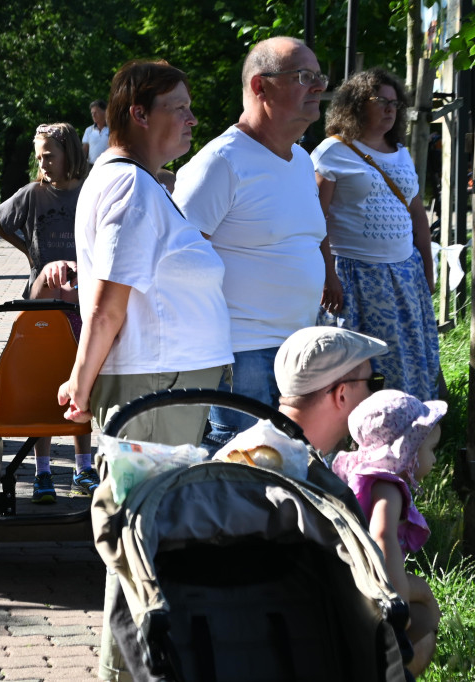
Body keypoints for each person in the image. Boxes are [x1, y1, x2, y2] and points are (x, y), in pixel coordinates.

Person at [55, 60, 234, 682]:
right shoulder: (129, 186)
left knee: (147, 542)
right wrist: (80, 383)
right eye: (178, 107)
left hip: (162, 386)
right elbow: (108, 302)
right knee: (142, 545)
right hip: (153, 390)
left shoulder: (138, 183)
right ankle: (126, 672)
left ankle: (134, 668)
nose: (190, 118)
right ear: (138, 111)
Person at [175, 36, 329, 449]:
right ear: (260, 86)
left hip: (298, 349)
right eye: (303, 77)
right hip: (242, 356)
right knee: (242, 477)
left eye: (319, 77)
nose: (318, 87)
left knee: (284, 475)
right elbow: (175, 262)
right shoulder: (220, 162)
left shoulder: (300, 160)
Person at [312, 68, 440, 402]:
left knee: (405, 358)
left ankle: (408, 432)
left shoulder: (401, 151)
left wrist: (427, 267)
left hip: (405, 274)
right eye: (380, 101)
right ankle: (354, 441)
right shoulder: (332, 152)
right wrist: (328, 277)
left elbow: (418, 216)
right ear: (355, 104)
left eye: (395, 103)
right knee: (358, 365)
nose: (389, 109)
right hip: (355, 277)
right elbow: (315, 220)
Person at [0, 122, 97, 502]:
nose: (44, 163)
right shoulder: (34, 194)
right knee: (45, 383)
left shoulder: (88, 192)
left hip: (82, 302)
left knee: (78, 383)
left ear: (70, 154)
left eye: (50, 155)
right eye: (39, 157)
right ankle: (43, 471)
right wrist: (28, 251)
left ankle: (85, 467)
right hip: (40, 302)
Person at [333, 390, 445, 676]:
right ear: (407, 449)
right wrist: (398, 600)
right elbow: (382, 535)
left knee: (428, 609)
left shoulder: (361, 474)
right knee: (427, 615)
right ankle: (392, 670)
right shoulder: (389, 487)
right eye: (431, 449)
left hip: (350, 580)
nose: (434, 460)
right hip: (373, 585)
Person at [275, 326, 388, 455]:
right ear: (342, 396)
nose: (374, 394)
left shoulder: (259, 448)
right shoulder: (298, 471)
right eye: (373, 383)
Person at [81, 100, 109, 166]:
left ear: (105, 112)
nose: (93, 115)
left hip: (108, 166)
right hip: (91, 166)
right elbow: (85, 150)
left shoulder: (113, 130)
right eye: (92, 113)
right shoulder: (89, 130)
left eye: (96, 112)